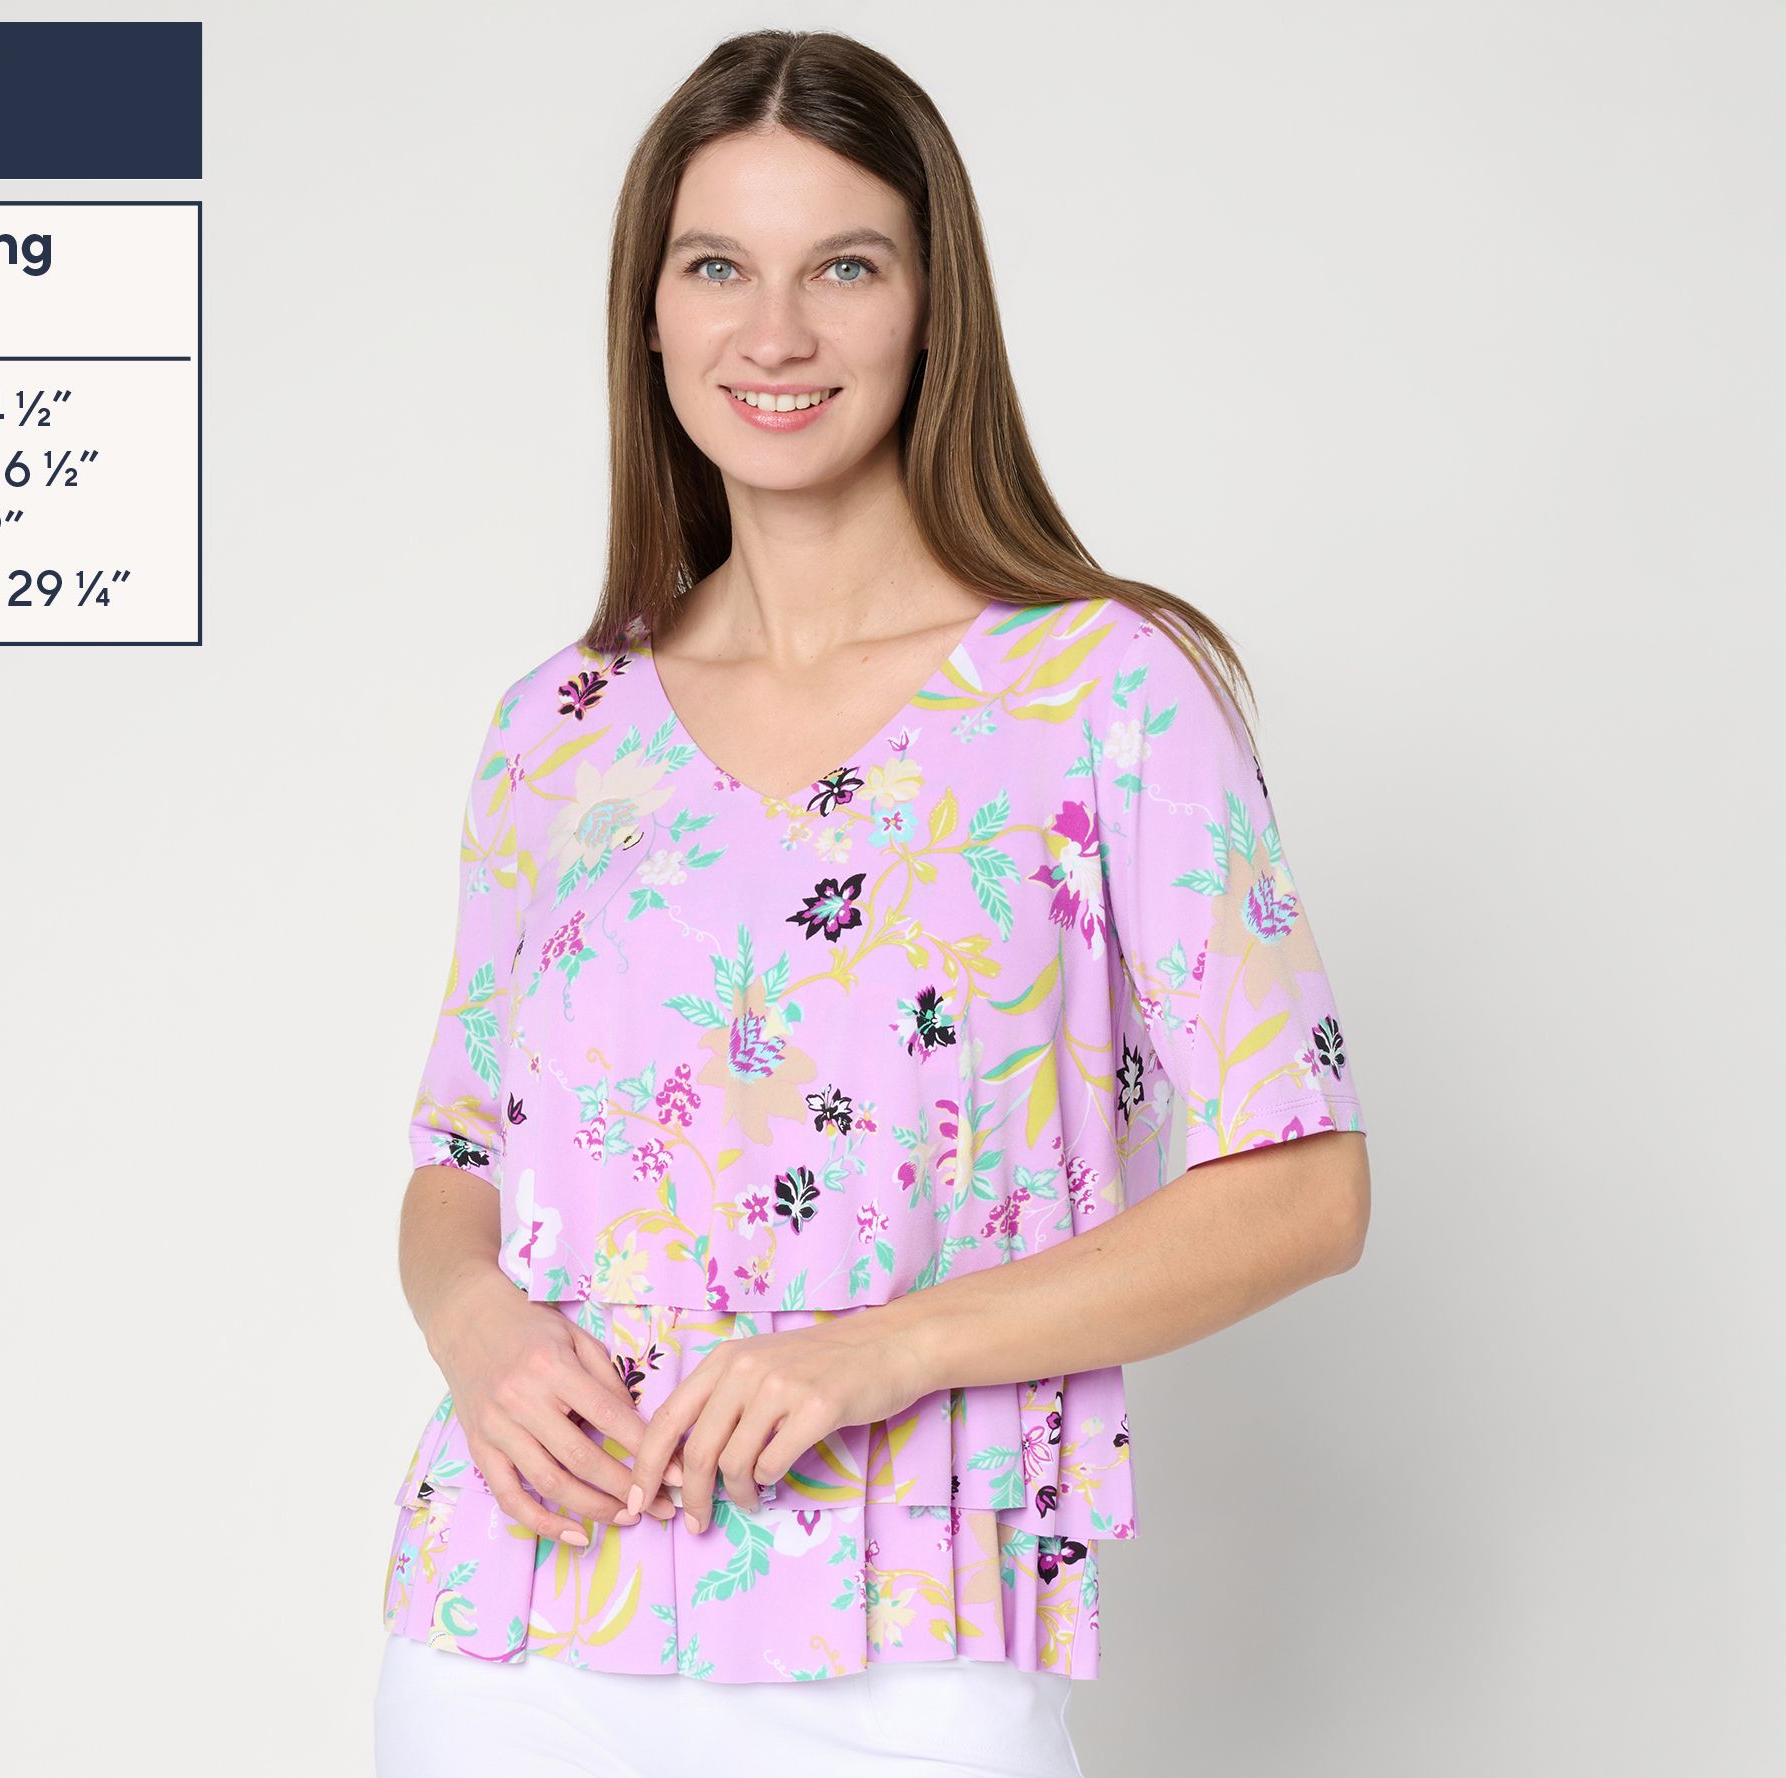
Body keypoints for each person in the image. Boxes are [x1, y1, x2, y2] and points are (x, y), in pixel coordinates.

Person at [373, 27, 1371, 1778]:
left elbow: (1303, 1187)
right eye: (716, 268)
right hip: (509, 1624)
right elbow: (458, 1155)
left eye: (843, 267)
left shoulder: (1105, 694)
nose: (774, 333)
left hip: (905, 1635)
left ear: (931, 309)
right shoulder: (559, 726)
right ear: (650, 315)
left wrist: (876, 1354)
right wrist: (475, 1327)